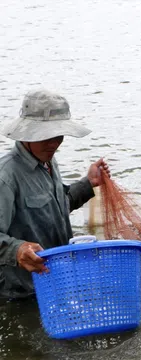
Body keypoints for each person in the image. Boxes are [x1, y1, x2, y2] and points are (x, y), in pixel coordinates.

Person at [0, 89, 110, 299]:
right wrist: (17, 249)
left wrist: (89, 183)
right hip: (20, 294)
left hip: (55, 280)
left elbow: (56, 208)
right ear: (27, 134)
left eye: (58, 136)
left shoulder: (48, 161)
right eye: (45, 136)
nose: (54, 143)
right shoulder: (6, 176)